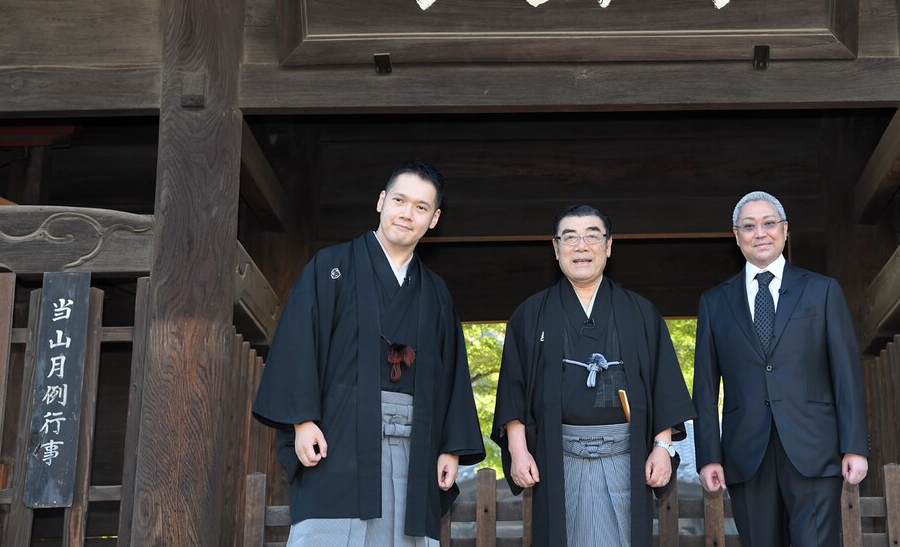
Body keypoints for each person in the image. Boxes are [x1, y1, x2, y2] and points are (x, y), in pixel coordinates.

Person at [253, 160, 484, 546]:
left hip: (415, 445)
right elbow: (298, 343)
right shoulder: (331, 267)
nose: (407, 214)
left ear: (434, 219)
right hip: (338, 438)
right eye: (399, 200)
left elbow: (452, 374)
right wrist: (302, 421)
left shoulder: (436, 293)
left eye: (421, 207)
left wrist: (450, 448)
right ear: (381, 201)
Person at [493, 204, 694, 547]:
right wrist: (518, 450)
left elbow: (663, 383)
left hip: (626, 456)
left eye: (592, 236)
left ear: (608, 245)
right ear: (556, 247)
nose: (581, 246)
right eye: (570, 237)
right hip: (557, 457)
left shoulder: (640, 312)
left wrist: (662, 447)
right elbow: (514, 387)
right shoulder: (530, 314)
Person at [694, 190, 869, 546]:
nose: (760, 233)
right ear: (736, 236)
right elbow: (705, 386)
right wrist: (708, 456)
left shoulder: (822, 290)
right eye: (749, 226)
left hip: (815, 449)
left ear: (785, 230)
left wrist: (854, 446)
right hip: (746, 454)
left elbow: (846, 374)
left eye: (769, 223)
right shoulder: (714, 302)